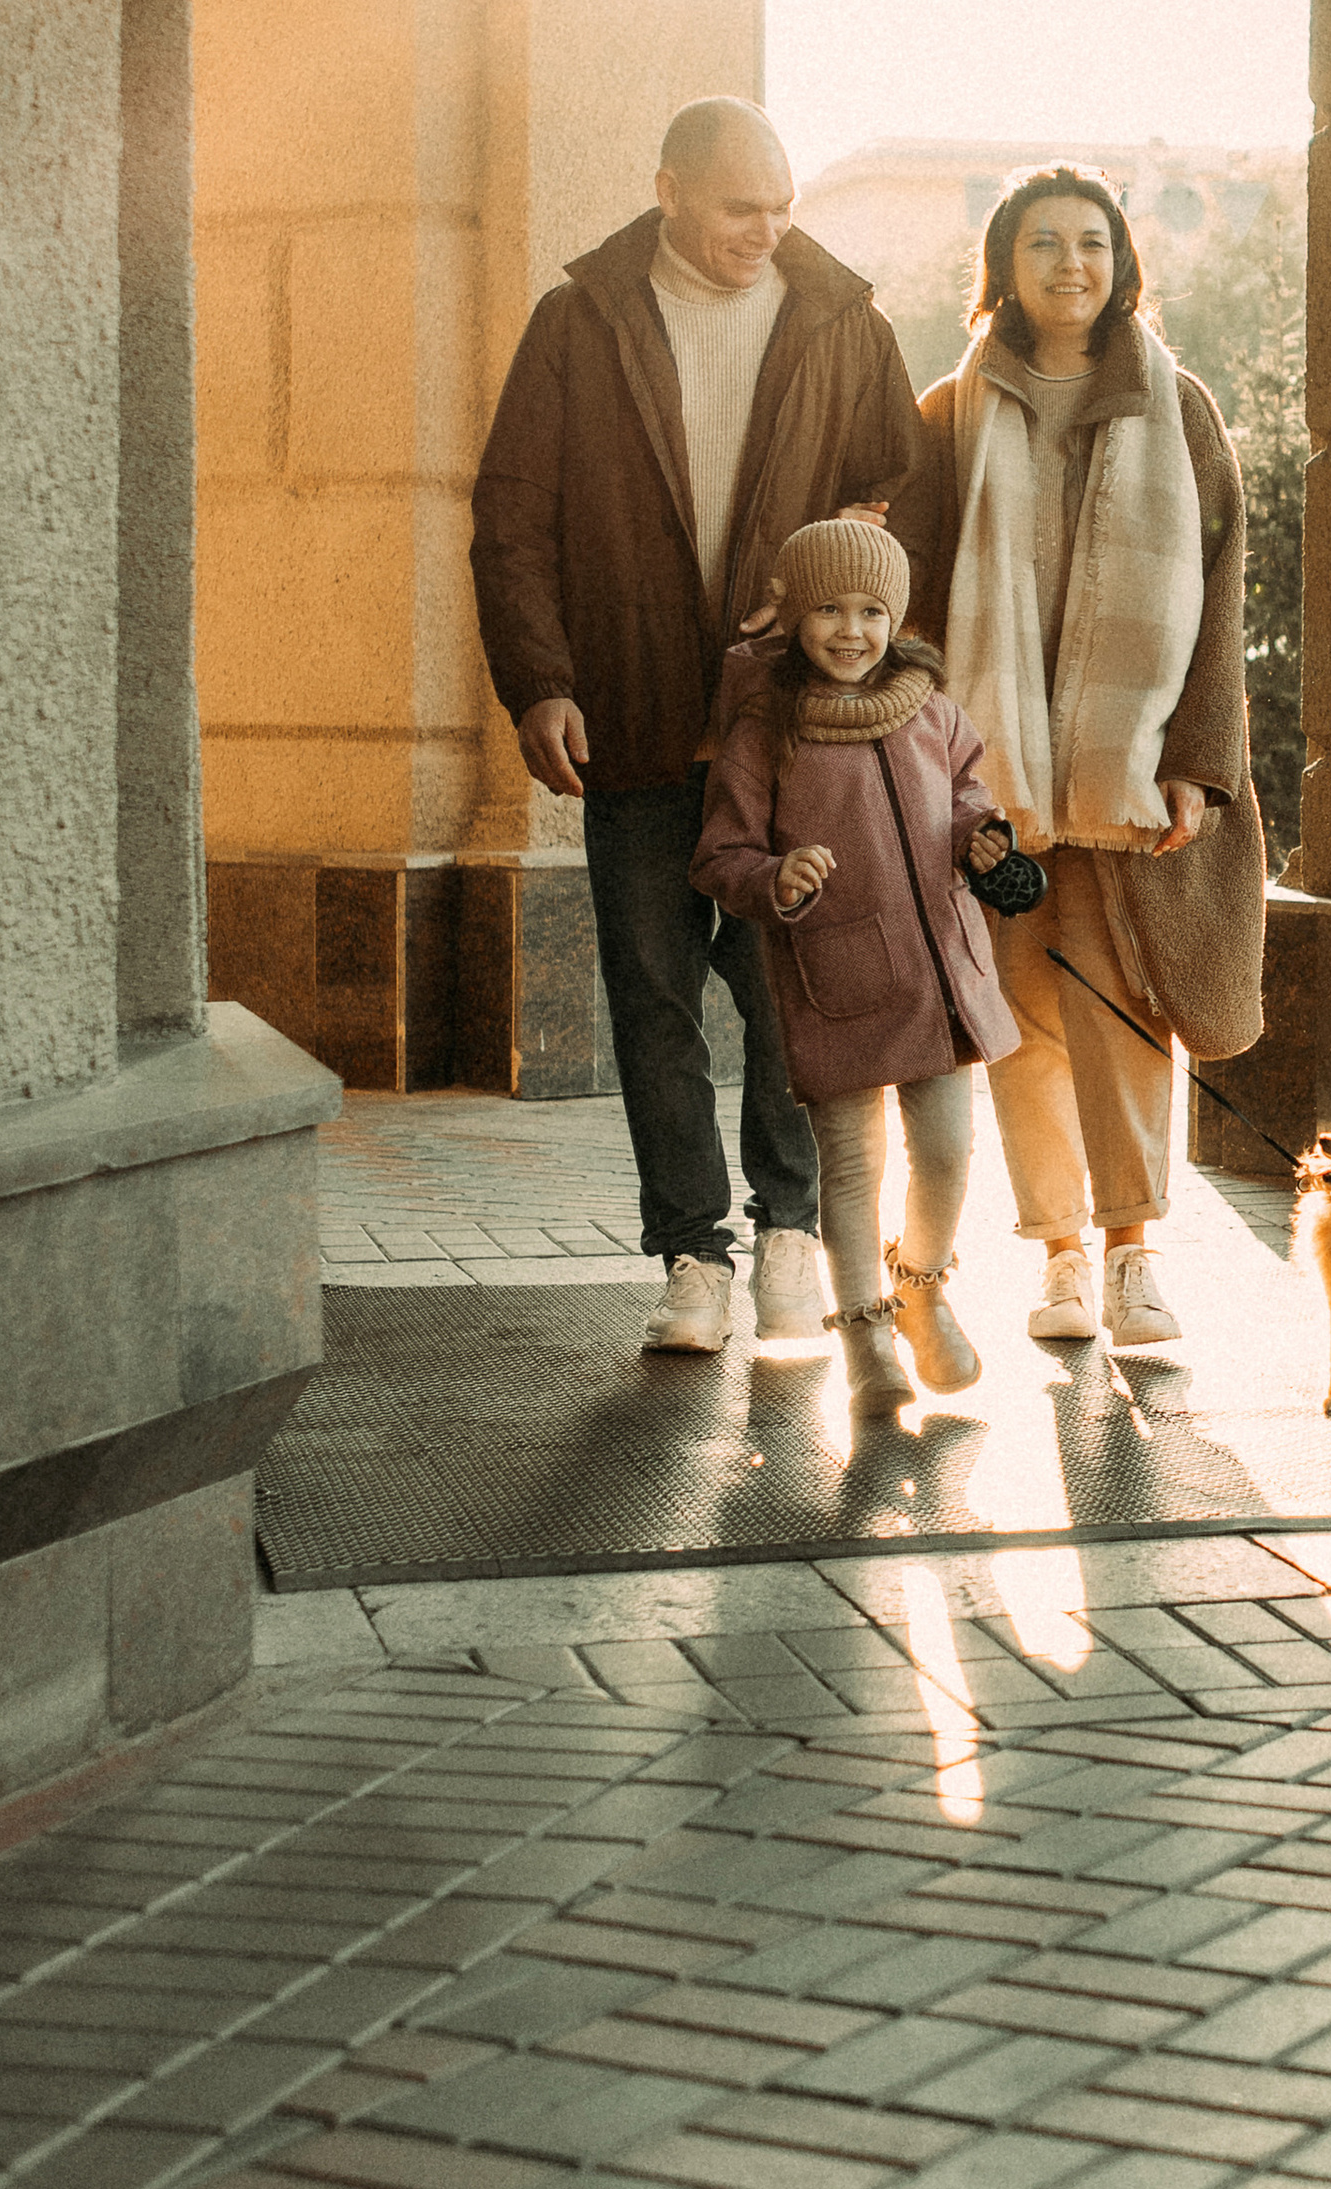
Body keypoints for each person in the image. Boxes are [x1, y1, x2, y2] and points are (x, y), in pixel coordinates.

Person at [470, 98, 929, 1356]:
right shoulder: (578, 322)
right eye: (740, 208)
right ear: (668, 188)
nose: (765, 231)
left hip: (789, 731)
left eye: (781, 208)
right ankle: (691, 1255)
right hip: (627, 714)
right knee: (652, 1001)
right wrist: (539, 681)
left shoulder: (843, 321)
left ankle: (791, 1230)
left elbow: (890, 490)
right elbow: (513, 521)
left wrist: (836, 602)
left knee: (789, 992)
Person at [916, 164, 1267, 1345]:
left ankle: (1132, 1254)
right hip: (995, 787)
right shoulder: (948, 415)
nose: (1071, 264)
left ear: (1122, 264)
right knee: (1018, 1012)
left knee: (1122, 1007)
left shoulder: (1184, 408)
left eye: (1092, 243)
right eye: (1042, 244)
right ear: (1003, 269)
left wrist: (1199, 765)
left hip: (1127, 783)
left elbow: (1219, 606)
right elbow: (909, 612)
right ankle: (1059, 1254)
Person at [691, 515, 1014, 1421]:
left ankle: (922, 1287)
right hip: (833, 982)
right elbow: (720, 856)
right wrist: (773, 878)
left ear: (897, 617)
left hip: (940, 976)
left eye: (872, 609)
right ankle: (867, 1328)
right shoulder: (768, 730)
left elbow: (968, 800)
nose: (851, 629)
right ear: (793, 617)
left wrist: (984, 841)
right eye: (828, 608)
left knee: (948, 1152)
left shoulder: (932, 711)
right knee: (850, 1167)